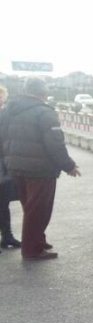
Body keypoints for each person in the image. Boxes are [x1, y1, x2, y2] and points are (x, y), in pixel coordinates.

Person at [0, 78, 80, 261]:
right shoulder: (45, 113)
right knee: (38, 209)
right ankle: (32, 249)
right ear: (43, 93)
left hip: (15, 167)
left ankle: (37, 239)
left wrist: (7, 161)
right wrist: (69, 165)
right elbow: (55, 144)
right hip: (39, 170)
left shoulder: (7, 111)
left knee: (29, 206)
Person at [0, 85, 21, 252]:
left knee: (3, 202)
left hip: (4, 164)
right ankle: (7, 237)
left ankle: (7, 236)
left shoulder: (5, 115)